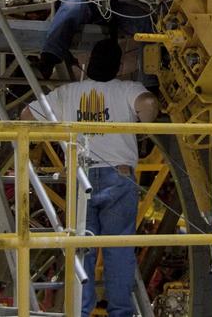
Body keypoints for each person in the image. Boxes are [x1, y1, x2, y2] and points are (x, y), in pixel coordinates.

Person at [25, 38, 159, 317]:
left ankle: (79, 312)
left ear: (89, 64)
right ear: (119, 67)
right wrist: (144, 121)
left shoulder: (67, 93)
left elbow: (27, 115)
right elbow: (147, 106)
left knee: (80, 250)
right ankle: (121, 313)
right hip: (119, 177)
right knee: (119, 250)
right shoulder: (128, 89)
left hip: (80, 177)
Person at [36, 0, 155, 80]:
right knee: (72, 5)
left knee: (147, 23)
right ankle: (49, 58)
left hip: (116, 2)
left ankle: (150, 82)